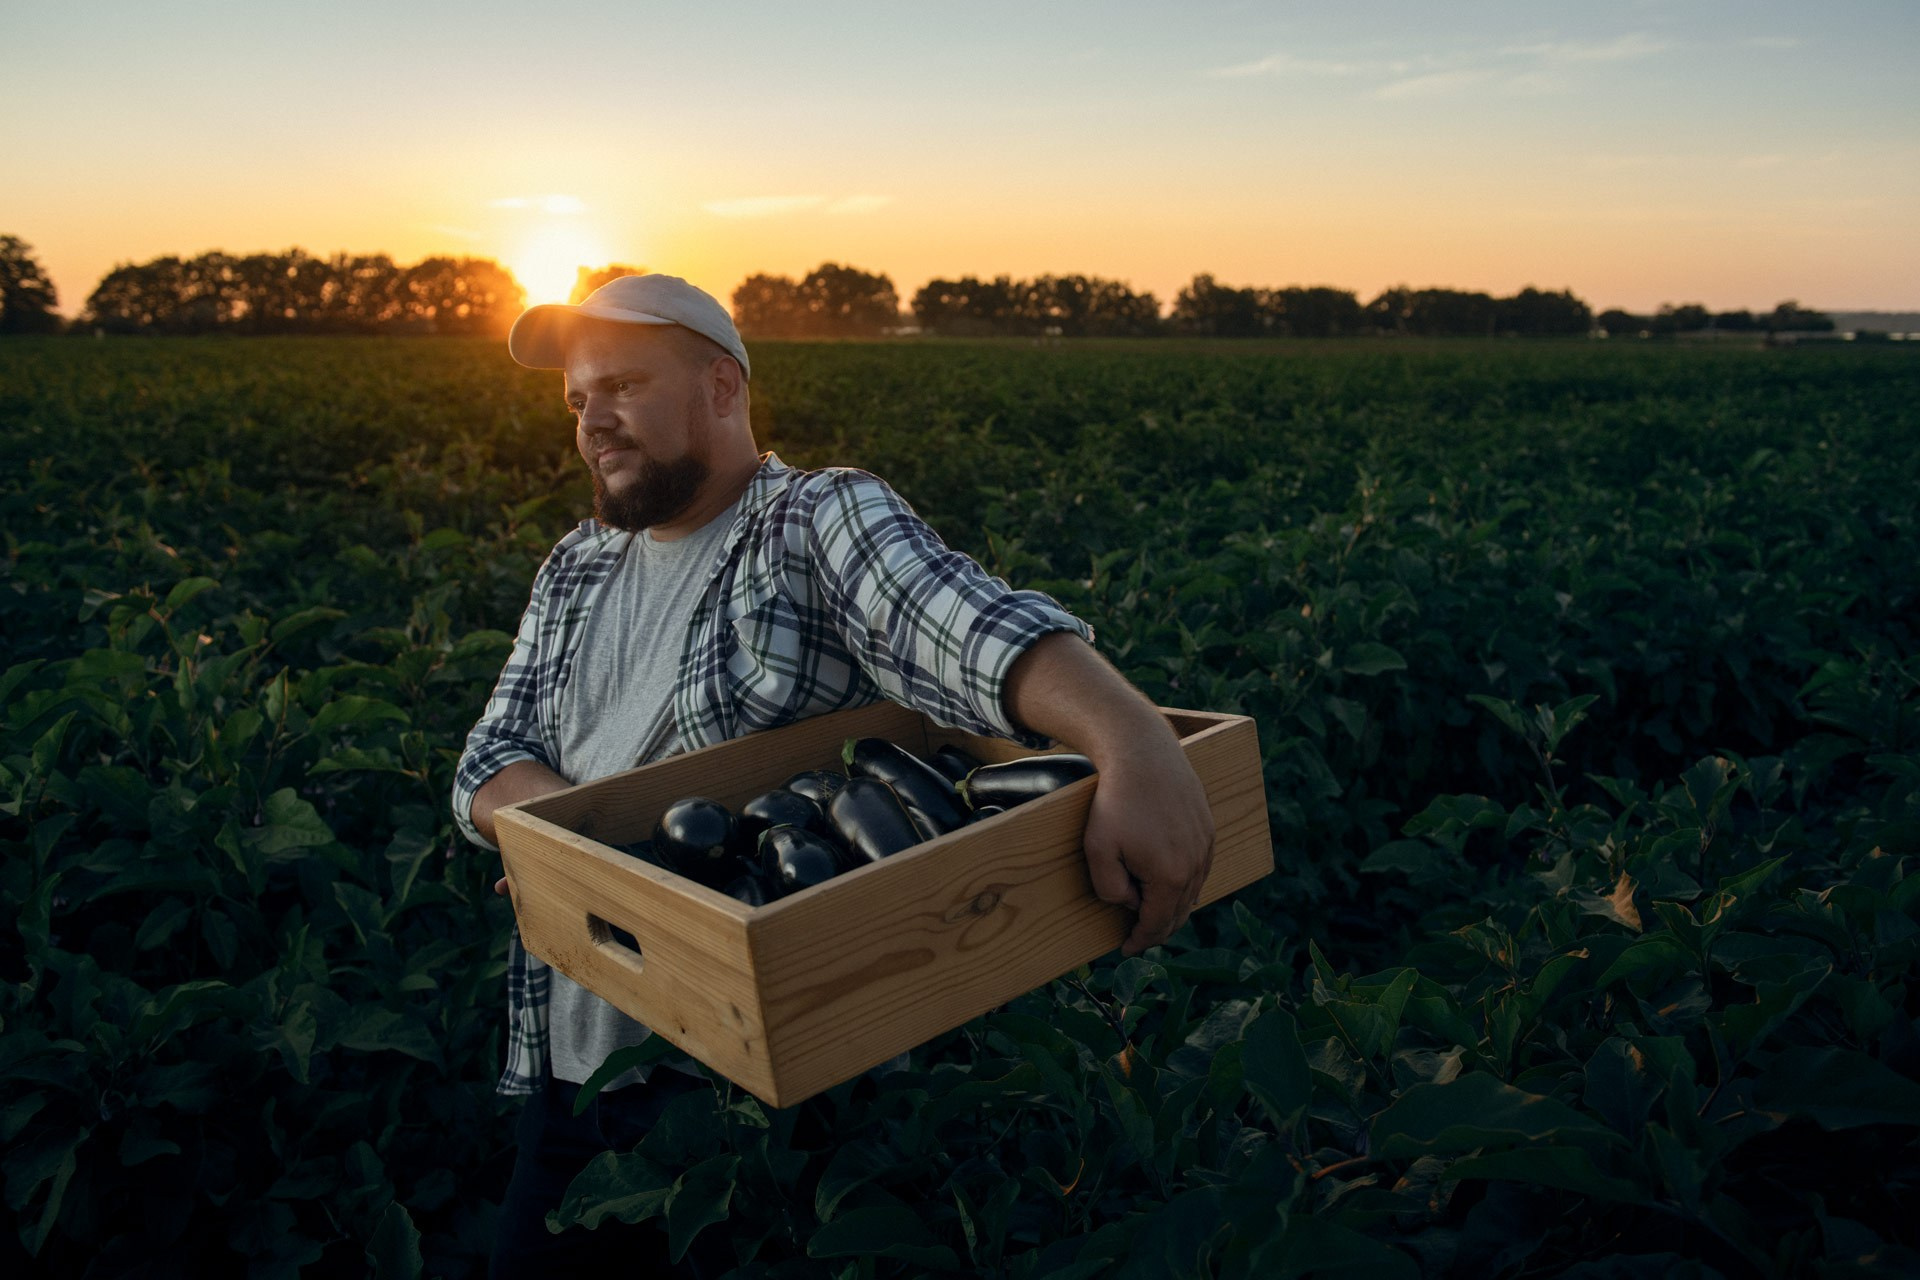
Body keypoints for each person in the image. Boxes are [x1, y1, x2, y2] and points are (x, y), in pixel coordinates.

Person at [452, 273, 1214, 1275]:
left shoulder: (813, 521)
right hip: (573, 1070)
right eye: (577, 398)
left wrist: (1133, 738)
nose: (594, 418)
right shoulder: (576, 567)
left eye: (624, 385)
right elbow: (487, 761)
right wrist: (585, 852)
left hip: (760, 1101)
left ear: (722, 387)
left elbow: (960, 624)